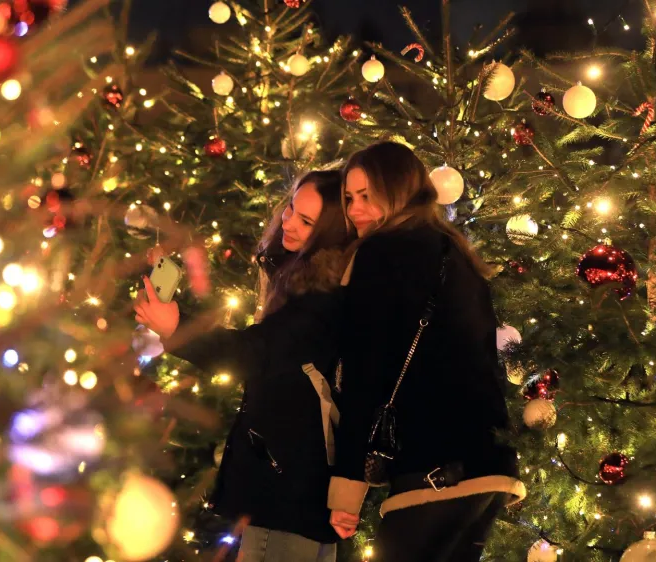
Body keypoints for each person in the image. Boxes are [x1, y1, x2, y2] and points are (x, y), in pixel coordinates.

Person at [134, 171, 352, 562]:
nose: (288, 222)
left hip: (286, 488)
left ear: (331, 234)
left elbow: (255, 352)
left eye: (306, 222)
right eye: (290, 209)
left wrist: (177, 328)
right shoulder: (304, 283)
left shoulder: (321, 298)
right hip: (298, 486)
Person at [327, 142, 526, 561]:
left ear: (399, 191)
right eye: (349, 197)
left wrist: (346, 488)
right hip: (489, 466)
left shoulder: (380, 253)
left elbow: (366, 373)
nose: (355, 209)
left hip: (433, 468)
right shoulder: (452, 248)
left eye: (367, 196)